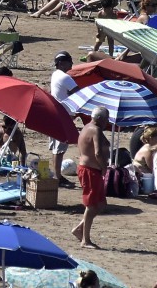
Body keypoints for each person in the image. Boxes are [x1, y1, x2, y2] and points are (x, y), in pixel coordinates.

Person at [73, 106, 108, 249]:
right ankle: (85, 240)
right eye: (106, 119)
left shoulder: (87, 127)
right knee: (92, 205)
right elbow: (98, 152)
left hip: (87, 168)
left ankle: (79, 228)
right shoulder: (96, 130)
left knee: (100, 204)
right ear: (100, 119)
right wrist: (104, 167)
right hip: (90, 169)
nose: (107, 122)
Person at [49, 51, 77, 188]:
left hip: (56, 114)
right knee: (60, 148)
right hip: (63, 116)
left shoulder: (55, 75)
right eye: (69, 61)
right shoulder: (66, 78)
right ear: (61, 63)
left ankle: (57, 175)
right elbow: (78, 94)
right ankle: (58, 177)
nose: (71, 63)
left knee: (56, 148)